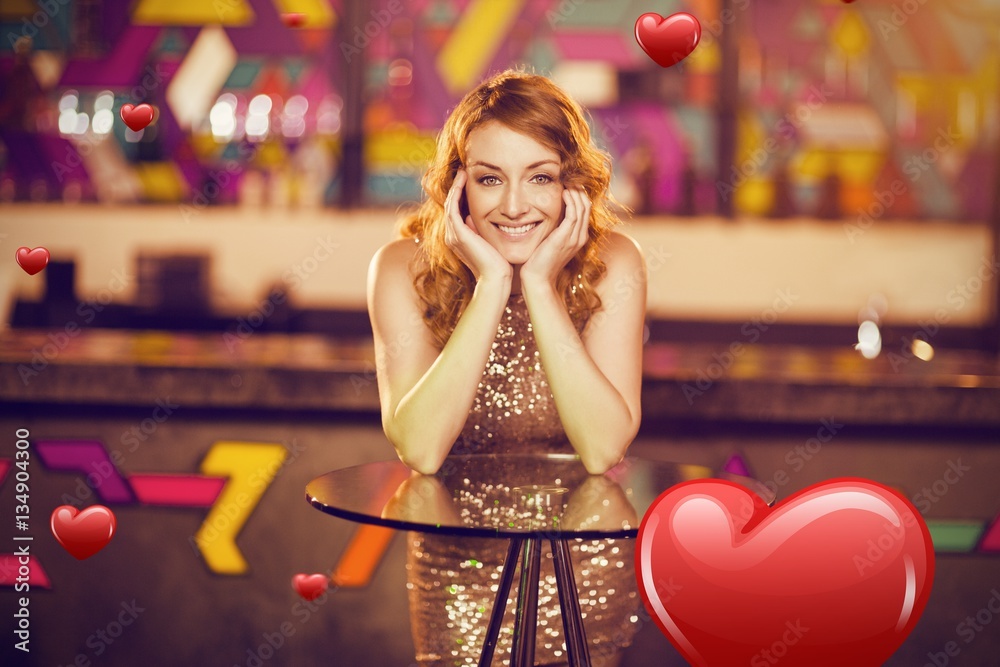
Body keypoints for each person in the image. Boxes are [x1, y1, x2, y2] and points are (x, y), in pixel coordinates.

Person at [366, 67, 647, 667]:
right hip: (457, 573)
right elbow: (420, 448)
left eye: (540, 177)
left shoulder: (614, 262)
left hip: (580, 575)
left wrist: (540, 286)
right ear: (457, 187)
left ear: (572, 186)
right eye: (490, 179)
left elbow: (601, 449)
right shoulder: (400, 268)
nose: (515, 205)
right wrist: (493, 282)